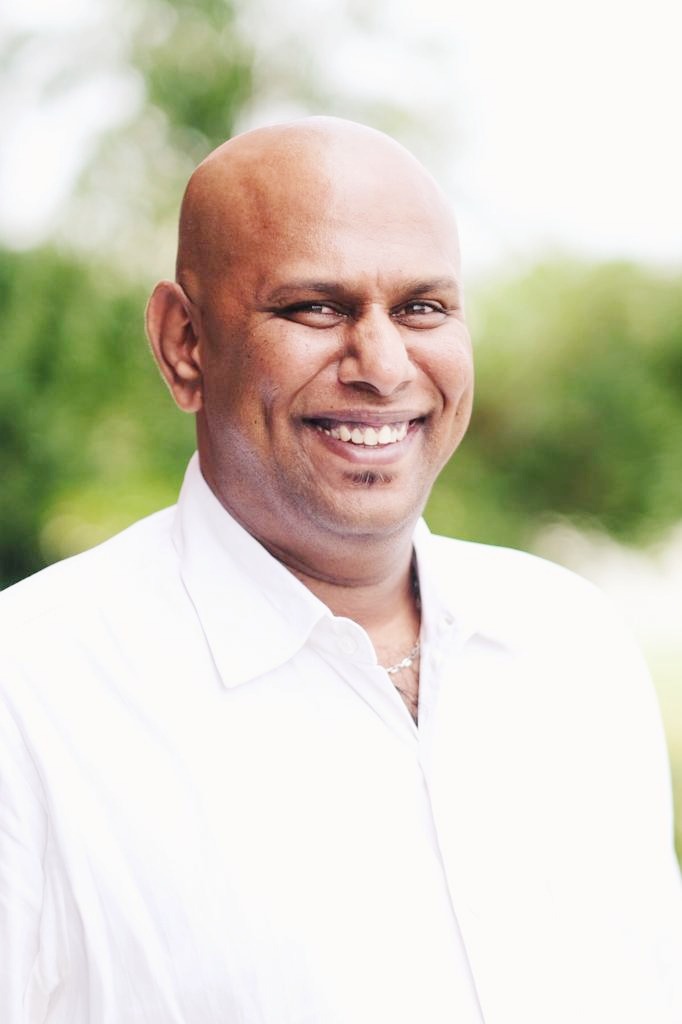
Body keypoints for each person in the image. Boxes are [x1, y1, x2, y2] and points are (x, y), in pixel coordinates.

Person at [1, 117, 680, 1024]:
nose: (385, 367)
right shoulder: (30, 697)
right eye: (316, 308)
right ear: (185, 343)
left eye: (422, 308)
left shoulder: (571, 642)